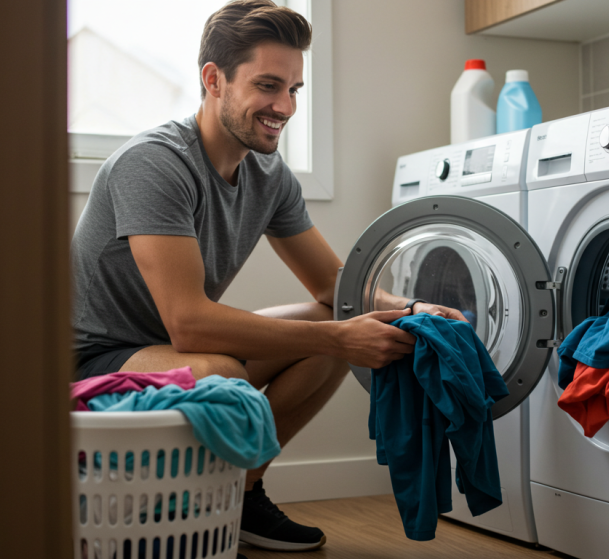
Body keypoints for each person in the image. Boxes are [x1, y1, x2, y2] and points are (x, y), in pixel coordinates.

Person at [70, 0, 465, 552]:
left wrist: (413, 309)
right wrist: (340, 336)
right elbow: (188, 324)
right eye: (268, 85)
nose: (284, 106)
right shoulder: (154, 163)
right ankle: (193, 501)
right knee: (225, 370)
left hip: (169, 349)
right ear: (214, 79)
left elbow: (335, 288)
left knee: (334, 326)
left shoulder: (269, 173)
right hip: (96, 360)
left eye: (295, 90)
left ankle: (239, 494)